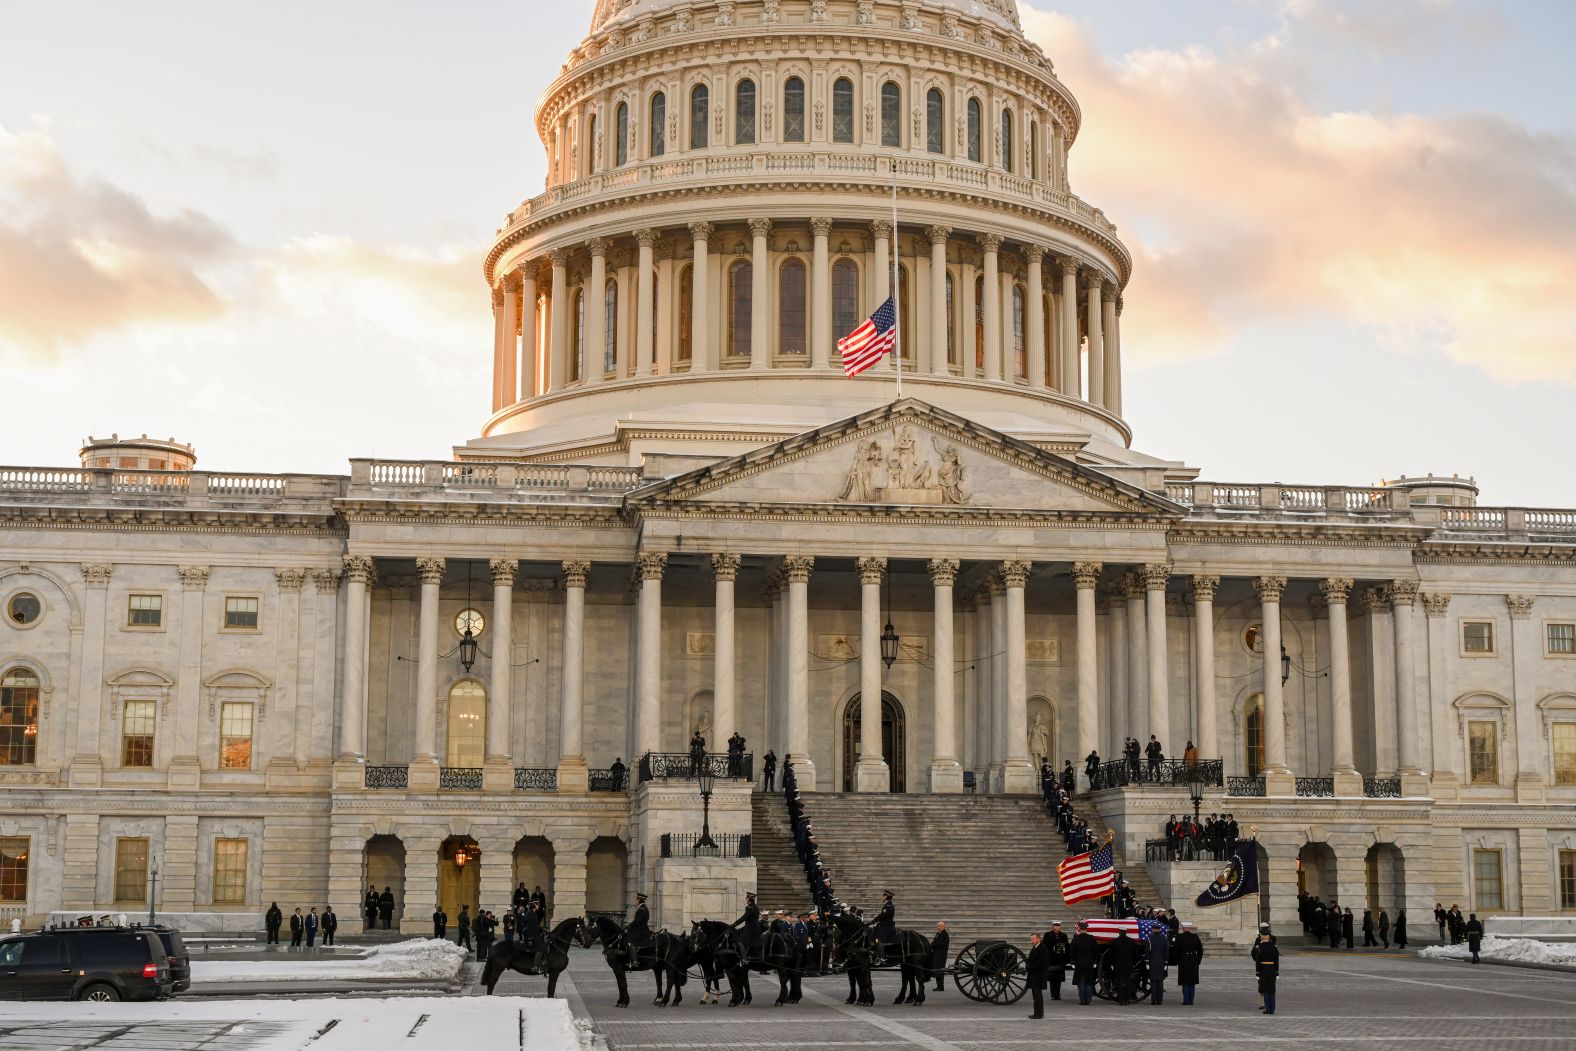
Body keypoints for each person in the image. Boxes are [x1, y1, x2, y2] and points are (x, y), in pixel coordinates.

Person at [1071, 920, 1100, 1006]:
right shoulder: (1092, 938)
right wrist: (1095, 961)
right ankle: (1088, 1000)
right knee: (1088, 982)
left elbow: (1072, 952)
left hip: (1079, 963)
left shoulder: (1076, 939)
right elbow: (1095, 951)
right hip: (1089, 963)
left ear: (1079, 929)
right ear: (1086, 929)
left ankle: (1082, 1000)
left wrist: (1072, 962)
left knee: (1081, 982)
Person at [1175, 923, 1204, 1005]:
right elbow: (1200, 951)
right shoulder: (1195, 937)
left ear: (1183, 928)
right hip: (1193, 960)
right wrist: (1197, 961)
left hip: (1183, 960)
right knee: (1192, 981)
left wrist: (1178, 961)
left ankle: (1186, 1000)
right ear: (1190, 928)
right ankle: (1191, 1000)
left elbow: (1176, 951)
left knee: (1185, 981)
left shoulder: (1179, 937)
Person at [1024, 932, 1050, 1019]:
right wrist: (1028, 966)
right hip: (1034, 976)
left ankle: (1039, 1014)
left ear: (1038, 939)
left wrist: (1030, 967)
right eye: (1031, 939)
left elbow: (1040, 963)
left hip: (1039, 976)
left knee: (1038, 995)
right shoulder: (1035, 948)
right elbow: (1030, 960)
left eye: (1033, 939)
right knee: (1035, 996)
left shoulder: (1043, 949)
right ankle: (1036, 1013)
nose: (1032, 941)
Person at [1255, 931, 1280, 1015]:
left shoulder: (1259, 947)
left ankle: (1268, 1009)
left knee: (1265, 989)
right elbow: (1276, 961)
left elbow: (1257, 961)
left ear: (1262, 937)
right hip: (1272, 970)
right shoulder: (1274, 947)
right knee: (1272, 990)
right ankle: (1272, 1009)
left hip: (1263, 970)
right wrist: (1277, 973)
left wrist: (1257, 973)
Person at [1045, 921, 1070, 1001]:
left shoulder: (1063, 935)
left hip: (1060, 959)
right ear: (1052, 926)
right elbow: (1045, 947)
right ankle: (1053, 994)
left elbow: (1066, 948)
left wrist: (1066, 960)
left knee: (1059, 978)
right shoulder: (1048, 935)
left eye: (1058, 925)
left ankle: (1057, 994)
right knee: (1052, 978)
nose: (1057, 927)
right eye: (1055, 925)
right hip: (1052, 959)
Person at [1147, 922, 1169, 1005]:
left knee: (1153, 982)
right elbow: (1166, 952)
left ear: (1153, 929)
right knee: (1160, 982)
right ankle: (1160, 1000)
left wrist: (1146, 962)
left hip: (1152, 963)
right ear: (1159, 930)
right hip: (1161, 963)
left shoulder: (1149, 938)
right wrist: (1166, 963)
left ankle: (1154, 1000)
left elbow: (1147, 951)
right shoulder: (1164, 938)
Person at [627, 892, 652, 966]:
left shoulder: (642, 909)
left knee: (629, 941)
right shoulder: (643, 908)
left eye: (636, 899)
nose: (635, 901)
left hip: (641, 931)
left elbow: (637, 921)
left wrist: (629, 926)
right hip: (641, 929)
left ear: (639, 900)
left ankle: (634, 961)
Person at [931, 922, 950, 992]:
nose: (938, 927)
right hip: (937, 954)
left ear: (943, 927)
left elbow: (940, 944)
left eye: (939, 926)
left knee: (940, 970)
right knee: (937, 970)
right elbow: (934, 942)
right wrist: (932, 944)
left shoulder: (944, 935)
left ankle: (941, 987)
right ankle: (939, 986)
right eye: (937, 926)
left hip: (941, 956)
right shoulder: (938, 934)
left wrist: (932, 945)